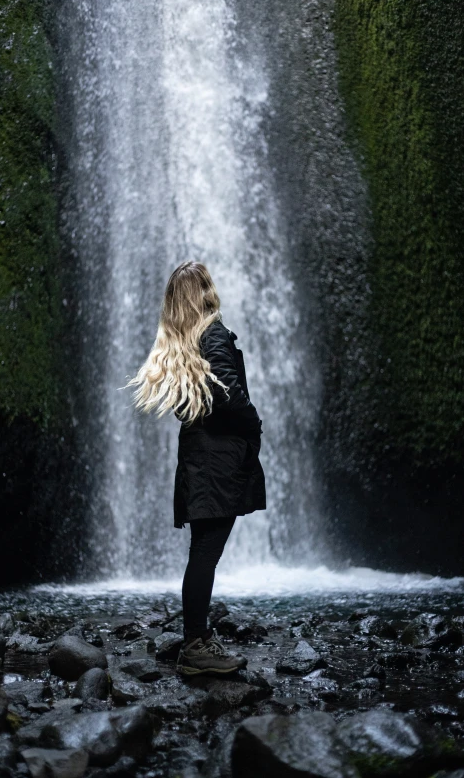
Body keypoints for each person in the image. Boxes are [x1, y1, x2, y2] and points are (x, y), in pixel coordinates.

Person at [125, 261, 266, 675]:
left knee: (203, 552)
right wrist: (253, 422)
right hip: (218, 462)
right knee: (206, 553)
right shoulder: (213, 333)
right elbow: (227, 393)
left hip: (201, 460)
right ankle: (195, 647)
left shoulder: (185, 342)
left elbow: (198, 398)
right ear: (204, 291)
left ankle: (198, 638)